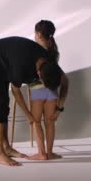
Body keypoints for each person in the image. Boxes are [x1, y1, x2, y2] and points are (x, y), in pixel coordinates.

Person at [0, 36, 65, 166]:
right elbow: (16, 91)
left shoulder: (49, 61)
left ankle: (6, 147)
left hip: (8, 58)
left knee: (4, 104)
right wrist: (29, 115)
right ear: (39, 74)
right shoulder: (21, 67)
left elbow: (65, 82)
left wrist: (59, 108)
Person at [27, 20, 69, 160]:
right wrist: (60, 107)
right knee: (50, 122)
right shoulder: (54, 52)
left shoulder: (33, 51)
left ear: (38, 34)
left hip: (37, 91)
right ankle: (50, 152)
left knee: (36, 121)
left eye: (35, 33)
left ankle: (41, 153)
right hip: (52, 92)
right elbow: (59, 77)